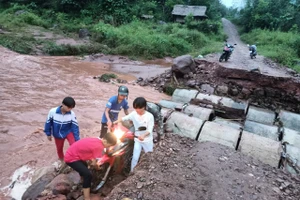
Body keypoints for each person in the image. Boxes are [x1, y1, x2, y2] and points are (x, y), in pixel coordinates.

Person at [64, 133, 117, 200]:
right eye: (109, 145)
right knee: (88, 174)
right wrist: (98, 167)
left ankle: (83, 184)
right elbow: (94, 163)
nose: (108, 147)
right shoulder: (99, 146)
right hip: (71, 158)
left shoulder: (97, 140)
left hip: (72, 153)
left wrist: (93, 163)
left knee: (85, 166)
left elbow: (90, 152)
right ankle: (87, 197)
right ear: (105, 141)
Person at [114, 97, 154, 172]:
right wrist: (115, 122)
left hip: (147, 140)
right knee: (135, 158)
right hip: (137, 140)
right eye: (135, 108)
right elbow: (124, 118)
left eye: (139, 108)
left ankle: (150, 172)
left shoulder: (150, 116)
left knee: (149, 157)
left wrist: (143, 135)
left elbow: (150, 130)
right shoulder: (134, 113)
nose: (137, 110)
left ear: (144, 107)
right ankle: (132, 173)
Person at [44, 97, 80, 162]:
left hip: (68, 131)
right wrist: (48, 134)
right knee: (59, 149)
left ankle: (74, 158)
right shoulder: (53, 112)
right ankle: (62, 160)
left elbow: (75, 126)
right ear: (63, 104)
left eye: (71, 108)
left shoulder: (72, 114)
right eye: (69, 107)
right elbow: (48, 123)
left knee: (74, 145)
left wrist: (77, 139)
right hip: (57, 133)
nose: (70, 109)